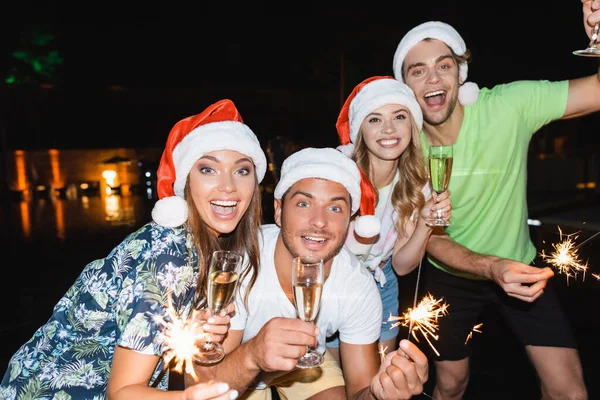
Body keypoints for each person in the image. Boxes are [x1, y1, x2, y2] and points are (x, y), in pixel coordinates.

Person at [391, 3, 600, 398]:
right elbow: (430, 238)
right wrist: (490, 267)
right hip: (450, 275)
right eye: (417, 70)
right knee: (451, 385)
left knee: (569, 390)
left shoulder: (508, 106)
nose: (432, 78)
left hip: (521, 266)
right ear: (405, 86)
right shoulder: (402, 147)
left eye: (444, 65)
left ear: (461, 73)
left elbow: (596, 90)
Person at [0, 99, 268, 400]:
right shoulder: (171, 254)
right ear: (186, 182)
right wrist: (188, 398)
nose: (228, 186)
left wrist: (190, 333)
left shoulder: (207, 247)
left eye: (242, 171)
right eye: (208, 169)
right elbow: (123, 393)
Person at [191, 147, 429, 399]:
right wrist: (253, 355)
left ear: (350, 219)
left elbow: (361, 390)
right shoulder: (238, 264)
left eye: (335, 208)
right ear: (279, 211)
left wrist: (381, 393)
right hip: (240, 364)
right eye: (304, 203)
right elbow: (200, 385)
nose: (319, 221)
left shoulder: (357, 285)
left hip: (306, 366)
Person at [330, 75, 452, 358]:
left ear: (412, 124)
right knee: (337, 384)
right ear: (361, 128)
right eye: (374, 119)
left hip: (382, 282)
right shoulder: (339, 173)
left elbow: (402, 264)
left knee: (379, 382)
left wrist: (424, 222)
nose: (388, 129)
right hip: (333, 283)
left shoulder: (417, 183)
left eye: (399, 116)